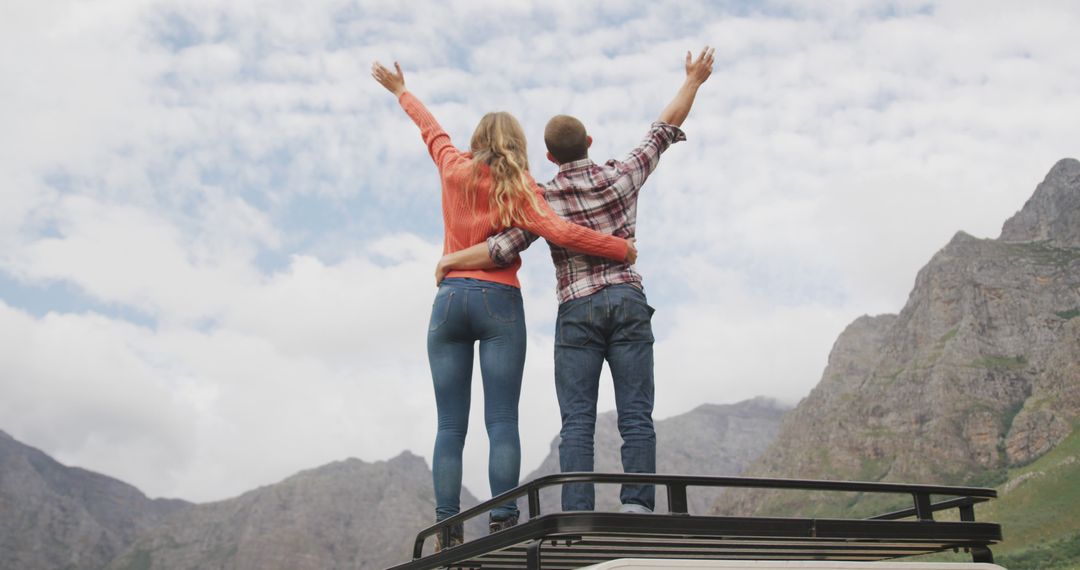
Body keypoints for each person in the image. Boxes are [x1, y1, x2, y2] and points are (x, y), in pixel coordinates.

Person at [370, 60, 637, 549]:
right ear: (519, 143)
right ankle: (503, 521)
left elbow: (431, 131)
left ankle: (448, 527)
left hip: (449, 301)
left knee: (450, 423)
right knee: (501, 420)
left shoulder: (453, 167)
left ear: (477, 139)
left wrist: (402, 90)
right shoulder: (523, 189)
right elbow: (561, 232)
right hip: (499, 303)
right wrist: (619, 248)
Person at [435, 47, 714, 514]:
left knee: (577, 422)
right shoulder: (622, 175)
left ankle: (580, 510)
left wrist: (451, 260)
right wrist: (694, 81)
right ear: (589, 139)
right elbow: (662, 130)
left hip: (577, 313)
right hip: (627, 301)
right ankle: (638, 506)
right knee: (636, 416)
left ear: (548, 155)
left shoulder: (540, 200)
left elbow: (501, 248)